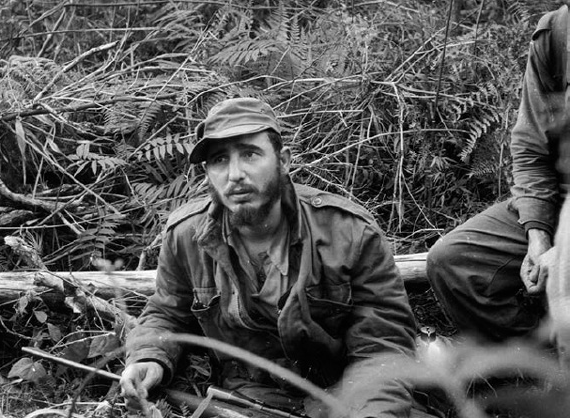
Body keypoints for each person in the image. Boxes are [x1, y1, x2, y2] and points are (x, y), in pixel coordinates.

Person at [119, 97, 424, 417]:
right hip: (249, 397)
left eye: (250, 154)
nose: (234, 174)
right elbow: (166, 312)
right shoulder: (186, 236)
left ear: (283, 160)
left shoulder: (350, 232)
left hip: (349, 390)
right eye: (220, 159)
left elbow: (382, 348)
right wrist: (148, 358)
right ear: (207, 172)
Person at [426, 5, 570, 343]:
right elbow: (532, 147)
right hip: (559, 201)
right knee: (452, 261)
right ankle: (535, 367)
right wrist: (538, 235)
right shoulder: (556, 33)